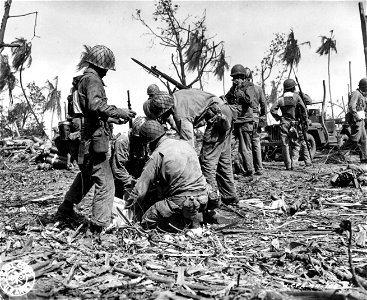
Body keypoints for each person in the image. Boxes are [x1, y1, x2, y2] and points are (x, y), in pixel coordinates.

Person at [56, 45, 136, 233]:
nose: (107, 73)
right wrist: (120, 111)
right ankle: (98, 226)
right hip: (89, 140)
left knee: (87, 176)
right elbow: (95, 105)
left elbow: (87, 111)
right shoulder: (93, 79)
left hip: (80, 139)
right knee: (106, 182)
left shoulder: (82, 80)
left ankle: (65, 209)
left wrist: (113, 117)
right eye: (106, 69)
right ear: (101, 66)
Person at [143, 89, 238, 207]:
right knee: (224, 160)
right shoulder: (177, 96)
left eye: (163, 115)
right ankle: (230, 197)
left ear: (166, 110)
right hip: (225, 111)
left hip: (217, 118)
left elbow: (189, 147)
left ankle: (211, 203)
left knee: (207, 162)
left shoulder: (181, 115)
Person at [125, 120, 208, 230]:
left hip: (182, 201)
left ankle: (180, 225)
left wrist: (127, 208)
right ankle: (193, 219)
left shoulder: (158, 154)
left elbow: (140, 191)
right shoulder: (185, 144)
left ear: (150, 143)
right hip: (203, 197)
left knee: (146, 221)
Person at [270, 78, 311, 170]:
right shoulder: (296, 97)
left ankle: (288, 165)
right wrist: (305, 121)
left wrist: (278, 117)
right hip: (294, 124)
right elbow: (304, 109)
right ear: (293, 88)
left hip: (284, 122)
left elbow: (272, 110)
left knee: (285, 145)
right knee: (296, 143)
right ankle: (294, 164)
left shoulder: (280, 98)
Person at [225, 64, 256, 177]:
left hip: (245, 121)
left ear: (242, 77)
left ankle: (249, 171)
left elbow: (248, 100)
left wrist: (240, 93)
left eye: (237, 77)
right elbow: (227, 98)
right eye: (234, 78)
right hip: (236, 121)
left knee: (245, 148)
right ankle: (232, 170)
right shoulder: (233, 89)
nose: (235, 80)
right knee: (230, 145)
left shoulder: (249, 86)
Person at [342, 78, 367, 162]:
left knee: (364, 139)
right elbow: (351, 106)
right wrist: (357, 116)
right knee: (355, 139)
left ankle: (364, 158)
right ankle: (341, 153)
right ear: (364, 86)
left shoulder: (362, 95)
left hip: (361, 120)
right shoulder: (356, 94)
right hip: (357, 120)